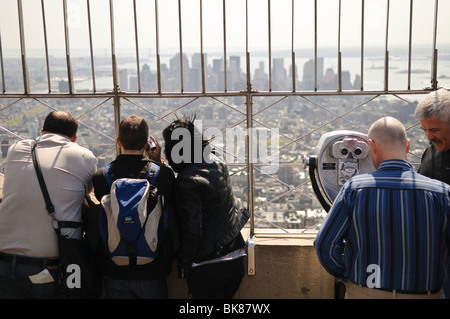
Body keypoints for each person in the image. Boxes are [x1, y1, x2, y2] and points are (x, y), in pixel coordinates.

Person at [314, 116, 450, 299]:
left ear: (372, 146)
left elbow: (325, 245)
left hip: (366, 291)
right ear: (408, 146)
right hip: (427, 294)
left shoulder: (354, 189)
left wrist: (349, 276)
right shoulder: (442, 193)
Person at [0, 110, 97, 299]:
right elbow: (84, 193)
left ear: (42, 130)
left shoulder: (15, 149)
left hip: (3, 258)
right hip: (46, 267)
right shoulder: (85, 157)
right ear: (74, 137)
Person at [162, 116, 249, 299]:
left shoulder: (186, 181)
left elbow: (193, 231)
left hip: (209, 265)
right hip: (236, 255)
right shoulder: (218, 159)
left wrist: (184, 263)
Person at [91, 115, 176, 299]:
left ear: (118, 141)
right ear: (147, 144)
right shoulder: (163, 175)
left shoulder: (101, 177)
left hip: (115, 268)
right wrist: (158, 163)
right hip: (153, 268)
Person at [414, 88, 450, 297]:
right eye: (424, 131)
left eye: (434, 129)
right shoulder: (431, 151)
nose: (429, 137)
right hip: (433, 254)